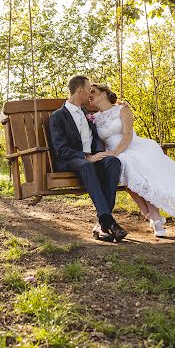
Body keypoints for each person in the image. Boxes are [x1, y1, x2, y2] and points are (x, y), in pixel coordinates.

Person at [90, 83, 175, 238]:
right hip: (112, 154)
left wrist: (115, 152)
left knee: (136, 171)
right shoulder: (94, 117)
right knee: (126, 174)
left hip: (131, 147)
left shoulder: (123, 109)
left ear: (104, 94)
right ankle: (152, 217)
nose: (90, 95)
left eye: (93, 92)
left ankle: (154, 218)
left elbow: (127, 135)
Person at [49, 75, 128, 242]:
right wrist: (87, 157)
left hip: (91, 158)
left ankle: (103, 225)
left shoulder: (88, 113)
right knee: (86, 166)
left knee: (113, 162)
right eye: (88, 91)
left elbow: (104, 123)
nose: (90, 95)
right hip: (72, 160)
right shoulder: (57, 116)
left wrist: (119, 106)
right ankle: (109, 222)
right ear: (80, 91)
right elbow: (61, 150)